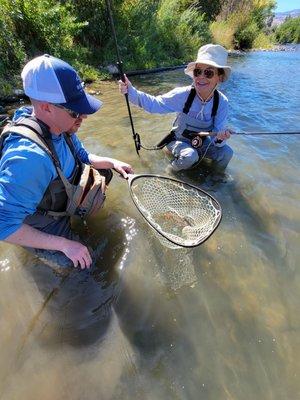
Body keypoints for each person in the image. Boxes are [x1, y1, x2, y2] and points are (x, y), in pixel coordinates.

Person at [0, 54, 133, 270]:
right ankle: (46, 248)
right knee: (82, 266)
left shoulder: (61, 126)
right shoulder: (29, 159)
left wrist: (113, 162)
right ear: (45, 107)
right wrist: (64, 245)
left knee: (105, 172)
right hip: (43, 220)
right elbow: (3, 224)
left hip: (59, 195)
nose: (83, 116)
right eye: (75, 111)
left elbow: (81, 155)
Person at [119, 44, 233, 174]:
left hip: (202, 143)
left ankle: (215, 181)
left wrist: (220, 138)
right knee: (190, 156)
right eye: (197, 71)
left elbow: (217, 136)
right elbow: (154, 104)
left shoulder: (222, 102)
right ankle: (170, 171)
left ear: (220, 77)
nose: (201, 76)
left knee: (226, 153)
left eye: (208, 73)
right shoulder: (182, 94)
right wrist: (131, 91)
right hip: (178, 140)